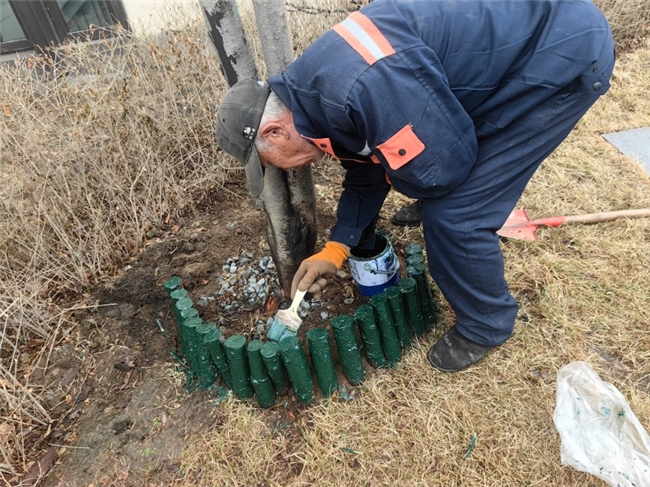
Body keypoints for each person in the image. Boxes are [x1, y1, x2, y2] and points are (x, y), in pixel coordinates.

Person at [215, 0, 615, 372]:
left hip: (558, 55)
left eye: (270, 163)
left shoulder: (358, 90)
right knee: (426, 170)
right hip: (514, 51)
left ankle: (486, 325)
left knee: (455, 215)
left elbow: (444, 169)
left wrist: (415, 180)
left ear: (275, 132)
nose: (282, 170)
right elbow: (366, 167)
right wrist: (336, 249)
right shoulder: (312, 98)